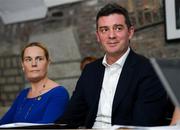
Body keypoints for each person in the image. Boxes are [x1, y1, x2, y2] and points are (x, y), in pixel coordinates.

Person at [55, 3, 168, 128]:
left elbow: (143, 124)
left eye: (118, 28)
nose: (111, 35)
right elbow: (70, 117)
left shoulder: (149, 70)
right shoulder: (90, 71)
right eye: (104, 30)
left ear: (130, 32)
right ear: (98, 36)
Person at [0, 42, 69, 125]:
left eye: (39, 59)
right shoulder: (23, 94)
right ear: (23, 65)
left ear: (48, 63)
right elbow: (3, 124)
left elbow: (46, 128)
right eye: (28, 59)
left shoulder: (59, 93)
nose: (33, 64)